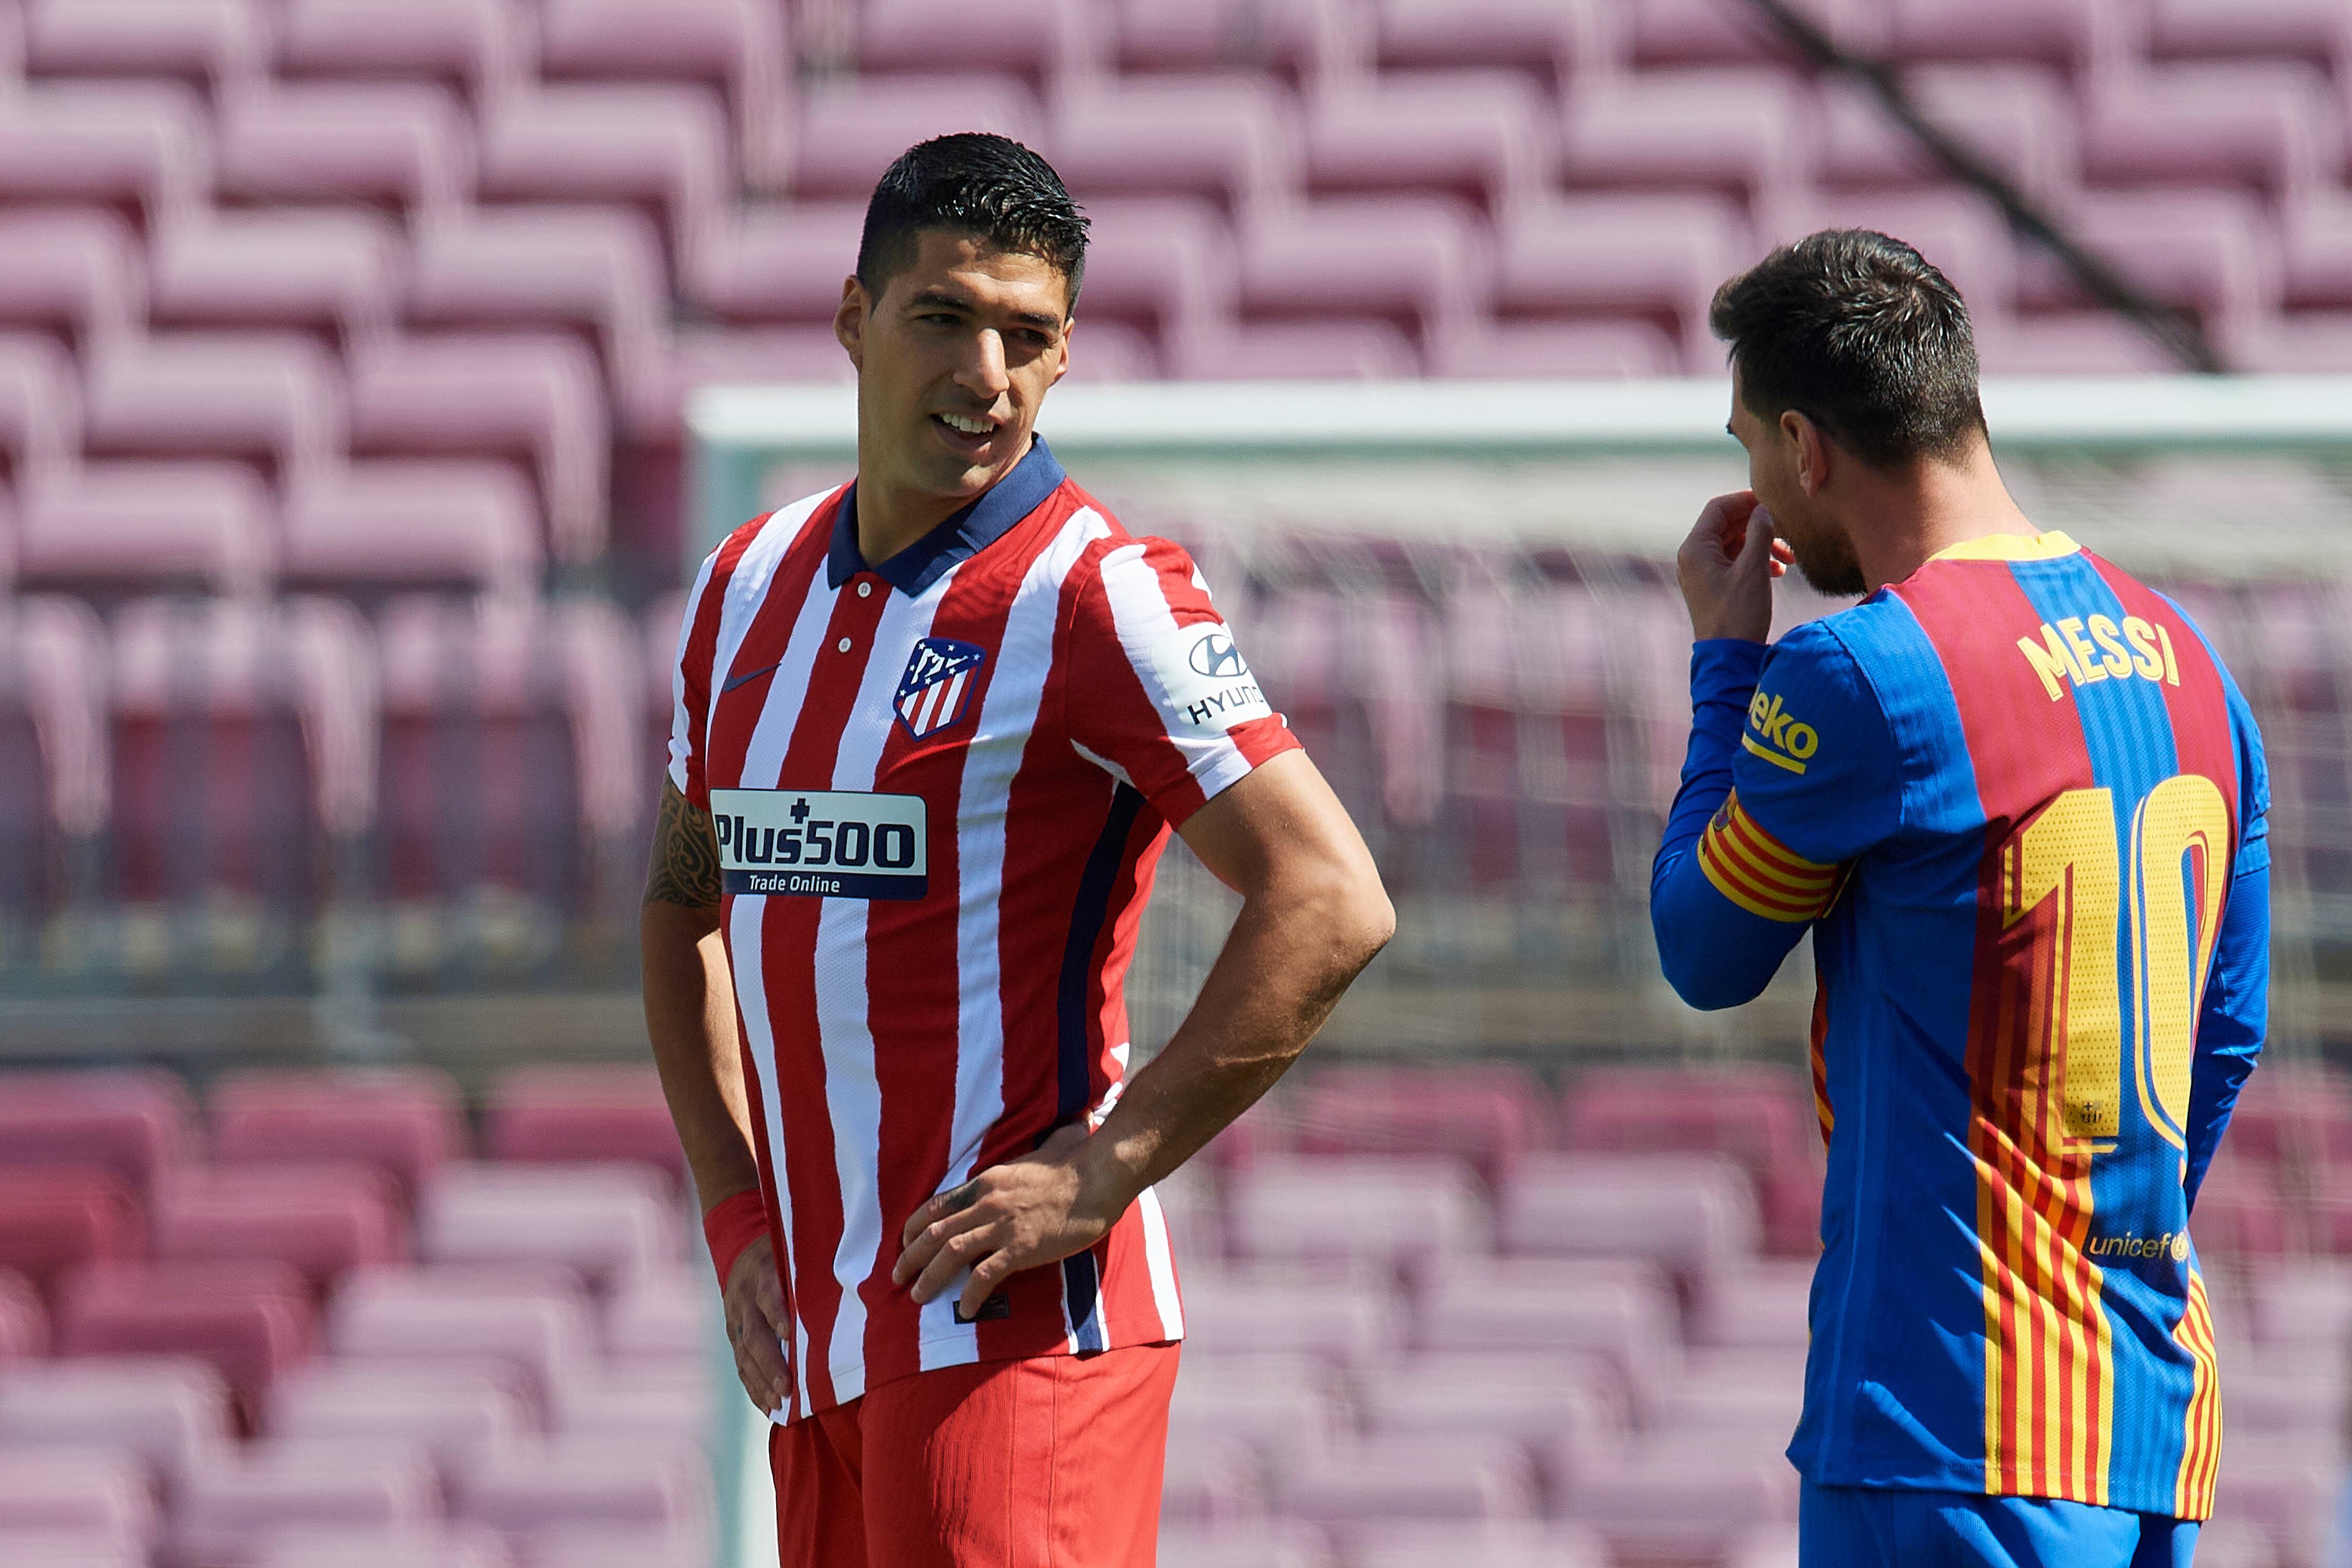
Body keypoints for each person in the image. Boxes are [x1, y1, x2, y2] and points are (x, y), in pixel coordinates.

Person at [640, 132, 1393, 1568]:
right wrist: (736, 1208)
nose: (985, 374)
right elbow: (683, 905)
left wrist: (1105, 1172)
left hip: (1016, 1344)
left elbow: (1331, 895)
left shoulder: (1098, 595)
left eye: (1027, 336)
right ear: (855, 319)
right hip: (821, 1345)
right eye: (944, 316)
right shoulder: (742, 592)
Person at [1650, 229, 2268, 1567]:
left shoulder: (1867, 675)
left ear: (1807, 449)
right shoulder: (2193, 662)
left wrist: (1723, 668)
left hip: (1953, 1418)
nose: (1753, 484)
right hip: (2149, 1420)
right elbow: (2226, 1035)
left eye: (1751, 444)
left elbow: (1701, 947)